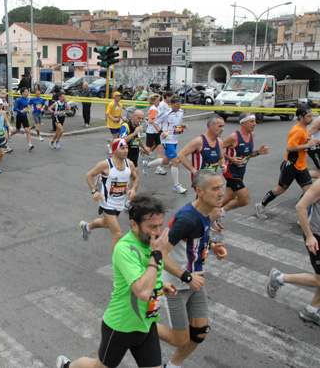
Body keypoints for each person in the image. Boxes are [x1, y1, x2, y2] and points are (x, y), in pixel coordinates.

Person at [57, 194, 177, 368]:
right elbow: (142, 292)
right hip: (121, 326)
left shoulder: (151, 245)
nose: (158, 232)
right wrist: (156, 255)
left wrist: (160, 286)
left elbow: (147, 277)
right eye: (152, 227)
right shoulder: (125, 249)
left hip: (147, 323)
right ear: (134, 224)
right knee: (98, 366)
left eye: (160, 225)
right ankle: (67, 366)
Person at [157, 169, 228, 368]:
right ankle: (136, 326)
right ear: (200, 191)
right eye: (215, 189)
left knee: (200, 332)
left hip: (194, 281)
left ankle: (171, 366)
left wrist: (211, 245)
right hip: (176, 284)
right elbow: (160, 253)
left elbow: (198, 237)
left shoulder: (208, 212)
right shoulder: (187, 219)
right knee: (179, 339)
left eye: (221, 187)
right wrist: (187, 277)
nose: (221, 193)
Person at [267, 178, 320, 325]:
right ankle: (279, 277)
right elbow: (301, 207)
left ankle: (311, 310)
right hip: (316, 237)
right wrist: (309, 236)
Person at [256, 105, 320, 220]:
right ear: (301, 117)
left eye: (312, 116)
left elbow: (306, 140)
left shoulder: (304, 129)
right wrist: (307, 145)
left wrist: (313, 142)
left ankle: (303, 217)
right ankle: (261, 205)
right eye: (309, 116)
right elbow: (289, 148)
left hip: (302, 167)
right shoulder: (296, 131)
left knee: (309, 193)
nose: (312, 118)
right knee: (280, 189)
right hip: (291, 166)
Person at [80, 138, 139, 247]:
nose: (126, 150)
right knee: (117, 233)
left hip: (120, 203)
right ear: (114, 149)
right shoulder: (105, 165)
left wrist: (133, 189)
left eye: (126, 148)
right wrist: (94, 191)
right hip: (107, 203)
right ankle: (116, 263)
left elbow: (135, 179)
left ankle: (87, 227)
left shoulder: (129, 164)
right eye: (122, 148)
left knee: (106, 224)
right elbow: (89, 175)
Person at [177, 115, 227, 231]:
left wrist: (223, 165)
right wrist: (194, 170)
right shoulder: (199, 141)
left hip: (212, 182)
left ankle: (200, 228)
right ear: (211, 126)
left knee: (204, 207)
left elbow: (221, 158)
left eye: (223, 126)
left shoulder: (219, 142)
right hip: (201, 182)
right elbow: (181, 155)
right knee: (212, 207)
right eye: (220, 126)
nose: (222, 129)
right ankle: (202, 229)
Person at [221, 112, 268, 219]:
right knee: (244, 199)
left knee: (229, 197)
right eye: (252, 121)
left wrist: (259, 152)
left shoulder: (252, 135)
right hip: (230, 171)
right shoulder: (234, 137)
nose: (255, 124)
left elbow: (249, 154)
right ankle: (220, 213)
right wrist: (230, 158)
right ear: (243, 123)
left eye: (255, 121)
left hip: (241, 171)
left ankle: (207, 213)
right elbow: (217, 148)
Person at [142, 96, 189, 194]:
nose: (179, 106)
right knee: (175, 161)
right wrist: (161, 132)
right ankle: (176, 185)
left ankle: (147, 164)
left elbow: (177, 123)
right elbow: (155, 123)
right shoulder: (166, 113)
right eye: (177, 104)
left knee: (166, 161)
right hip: (167, 140)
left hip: (175, 139)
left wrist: (182, 125)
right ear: (172, 104)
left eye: (180, 104)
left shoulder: (181, 112)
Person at [145, 93, 167, 175]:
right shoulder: (153, 109)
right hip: (151, 131)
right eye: (157, 100)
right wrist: (157, 120)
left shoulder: (158, 108)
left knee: (161, 149)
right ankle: (141, 151)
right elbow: (150, 120)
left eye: (159, 100)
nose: (159, 101)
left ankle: (159, 167)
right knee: (147, 149)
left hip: (157, 131)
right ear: (154, 101)